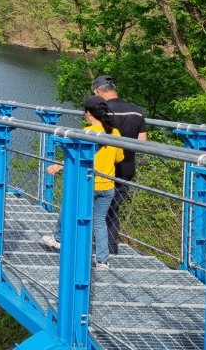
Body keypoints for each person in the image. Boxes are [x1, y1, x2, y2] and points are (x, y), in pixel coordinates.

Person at [41, 95, 124, 269]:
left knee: (67, 208)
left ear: (88, 113)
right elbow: (119, 158)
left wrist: (59, 165)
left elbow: (78, 158)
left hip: (87, 184)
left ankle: (59, 240)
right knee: (99, 221)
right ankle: (102, 260)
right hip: (107, 186)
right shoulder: (115, 133)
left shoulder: (86, 132)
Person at [92, 75, 148, 255]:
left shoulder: (102, 112)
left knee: (96, 207)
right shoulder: (137, 111)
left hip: (102, 168)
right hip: (127, 167)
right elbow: (142, 142)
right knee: (113, 206)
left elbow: (93, 138)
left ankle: (92, 247)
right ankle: (110, 246)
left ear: (99, 92)